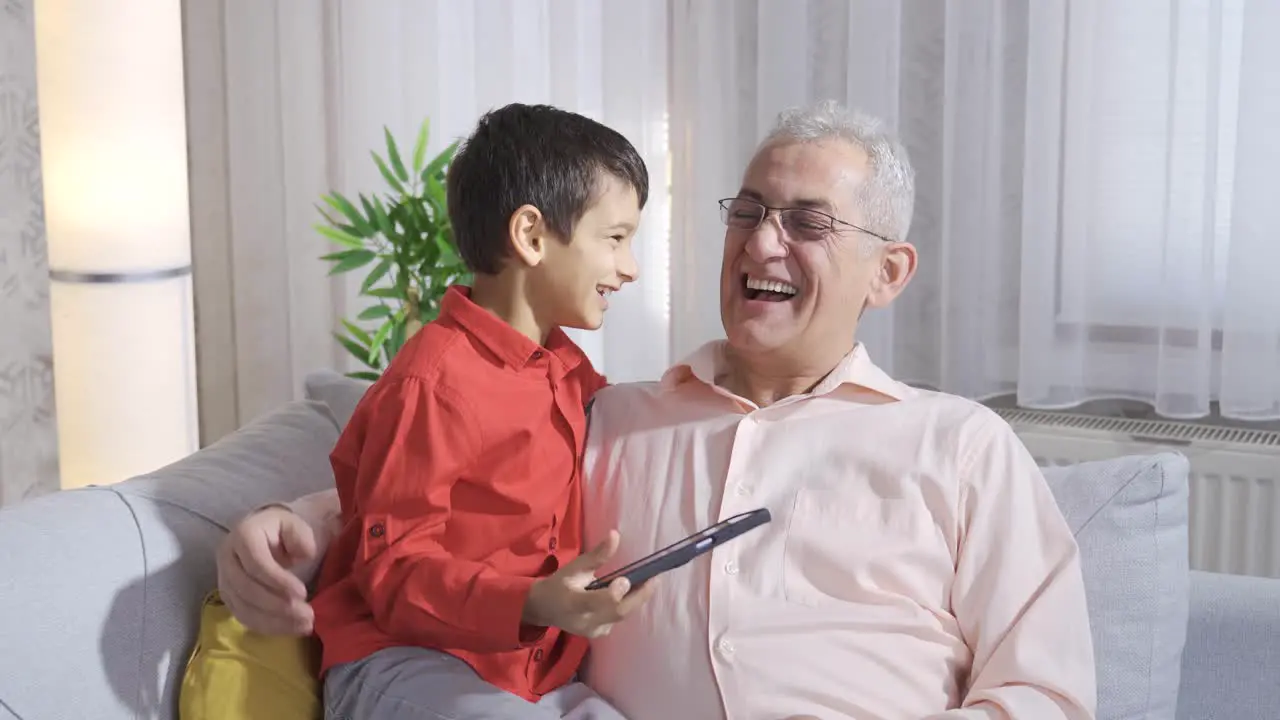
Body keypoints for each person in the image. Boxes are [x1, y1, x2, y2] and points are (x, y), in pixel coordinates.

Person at [217, 100, 1097, 720]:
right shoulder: (609, 417)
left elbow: (1047, 696)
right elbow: (451, 490)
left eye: (807, 222)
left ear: (889, 273)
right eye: (746, 211)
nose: (760, 241)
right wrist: (285, 520)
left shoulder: (960, 447)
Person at [301, 102, 659, 720]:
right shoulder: (432, 383)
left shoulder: (569, 372)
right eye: (616, 239)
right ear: (531, 236)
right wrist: (530, 601)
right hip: (402, 658)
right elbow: (394, 568)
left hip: (522, 674)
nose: (630, 268)